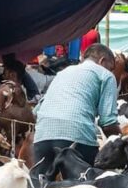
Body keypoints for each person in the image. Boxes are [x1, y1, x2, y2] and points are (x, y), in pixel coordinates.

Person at [33, 43, 120, 178]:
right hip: (76, 137)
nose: (111, 71)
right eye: (111, 68)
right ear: (102, 61)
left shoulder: (63, 73)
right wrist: (121, 143)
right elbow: (108, 123)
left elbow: (36, 110)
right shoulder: (106, 75)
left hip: (42, 136)